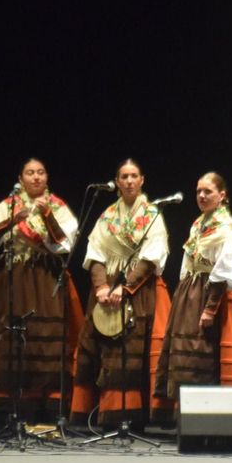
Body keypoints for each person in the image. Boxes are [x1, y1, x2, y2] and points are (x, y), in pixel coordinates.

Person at [0, 159, 83, 421]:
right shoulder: (10, 205)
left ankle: (49, 406)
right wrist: (14, 219)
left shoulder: (57, 207)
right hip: (13, 280)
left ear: (47, 177)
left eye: (40, 172)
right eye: (30, 173)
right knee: (10, 338)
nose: (36, 177)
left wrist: (47, 215)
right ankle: (10, 407)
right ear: (21, 178)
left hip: (46, 279)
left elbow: (65, 244)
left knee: (46, 337)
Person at [70, 159, 172, 429]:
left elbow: (152, 257)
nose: (129, 181)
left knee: (132, 350)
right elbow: (95, 254)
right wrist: (101, 286)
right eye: (124, 176)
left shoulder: (152, 215)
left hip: (140, 290)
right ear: (117, 182)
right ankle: (102, 414)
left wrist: (125, 287)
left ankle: (131, 417)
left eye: (134, 176)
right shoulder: (107, 216)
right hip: (106, 290)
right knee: (101, 349)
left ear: (142, 180)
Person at [154, 172, 232, 424]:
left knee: (204, 353)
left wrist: (210, 309)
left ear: (221, 195)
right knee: (184, 351)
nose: (201, 195)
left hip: (213, 295)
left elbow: (223, 270)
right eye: (198, 191)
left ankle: (211, 421)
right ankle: (186, 418)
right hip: (190, 293)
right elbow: (188, 262)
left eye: (207, 191)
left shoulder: (225, 228)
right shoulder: (199, 223)